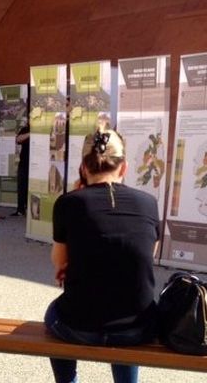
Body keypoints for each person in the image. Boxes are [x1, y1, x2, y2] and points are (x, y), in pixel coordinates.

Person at [44, 128, 160, 383]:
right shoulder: (148, 203)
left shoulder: (68, 203)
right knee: (126, 307)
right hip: (137, 327)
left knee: (53, 313)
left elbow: (59, 262)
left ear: (83, 168)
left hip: (79, 326)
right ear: (124, 168)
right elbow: (144, 257)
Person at [12, 119, 30, 216]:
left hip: (37, 163)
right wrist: (31, 133)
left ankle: (29, 208)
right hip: (24, 162)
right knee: (22, 185)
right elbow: (18, 139)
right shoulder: (25, 129)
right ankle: (20, 209)